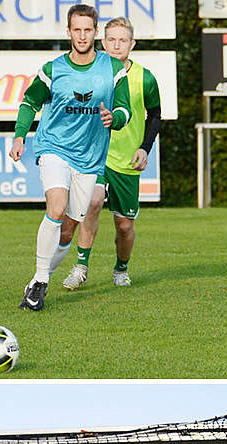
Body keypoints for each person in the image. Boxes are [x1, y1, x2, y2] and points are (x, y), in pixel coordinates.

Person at [10, 3, 132, 311]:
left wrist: (113, 119)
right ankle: (40, 280)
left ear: (95, 33)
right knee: (57, 205)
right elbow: (29, 103)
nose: (81, 35)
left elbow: (125, 109)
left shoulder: (114, 69)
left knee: (68, 227)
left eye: (87, 30)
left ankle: (39, 281)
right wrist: (20, 135)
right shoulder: (54, 69)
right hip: (54, 148)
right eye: (76, 29)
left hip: (90, 159)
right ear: (68, 32)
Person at [62, 17, 161, 291]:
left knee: (124, 226)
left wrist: (145, 148)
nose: (117, 45)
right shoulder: (90, 72)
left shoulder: (145, 78)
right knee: (92, 202)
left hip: (127, 161)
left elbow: (155, 115)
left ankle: (121, 269)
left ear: (132, 44)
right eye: (112, 40)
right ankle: (81, 267)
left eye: (123, 40)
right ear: (103, 42)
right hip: (95, 156)